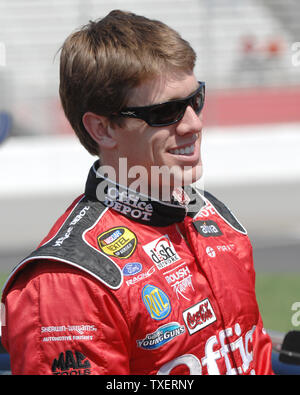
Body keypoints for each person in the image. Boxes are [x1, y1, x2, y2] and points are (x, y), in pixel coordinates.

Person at [1, 10, 273, 375]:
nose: (194, 123)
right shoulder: (70, 281)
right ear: (103, 129)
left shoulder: (214, 217)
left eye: (196, 99)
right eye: (167, 112)